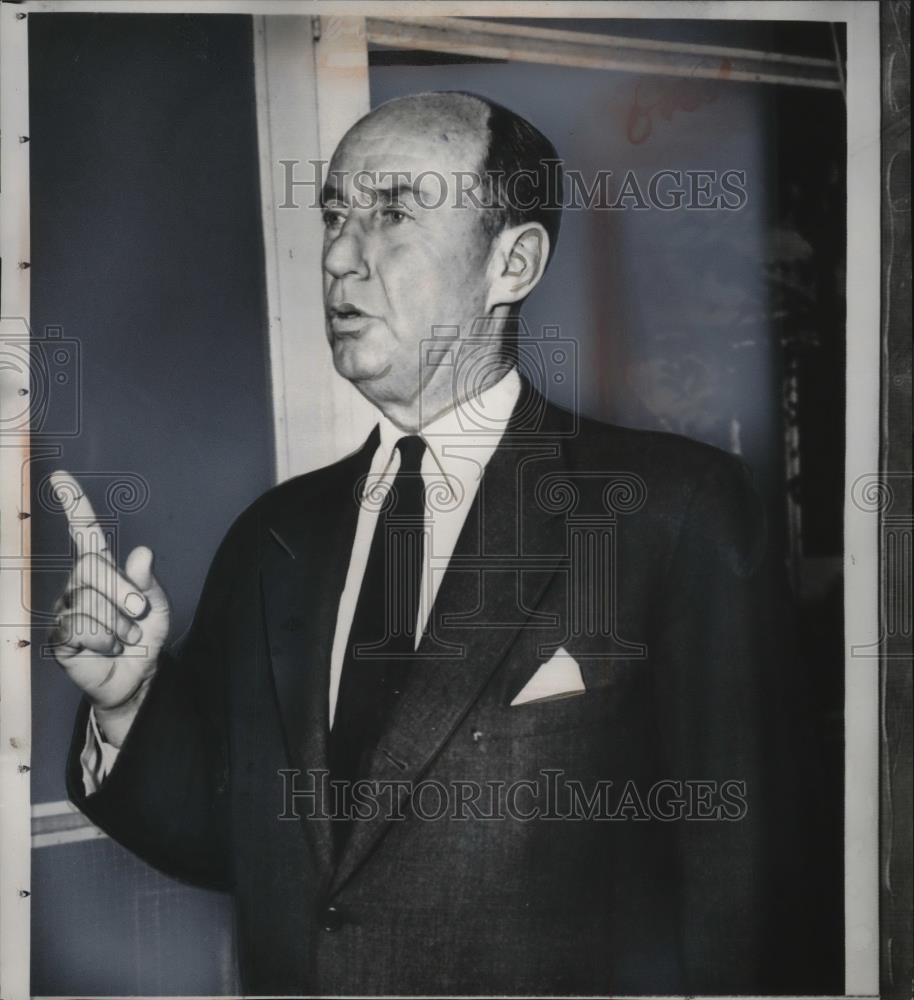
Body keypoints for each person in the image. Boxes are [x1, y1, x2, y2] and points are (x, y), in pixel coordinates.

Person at [54, 92, 820, 995]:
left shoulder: (671, 511)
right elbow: (247, 843)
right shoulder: (275, 538)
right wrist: (128, 704)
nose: (340, 256)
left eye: (392, 212)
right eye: (335, 214)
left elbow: (744, 888)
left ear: (514, 261)